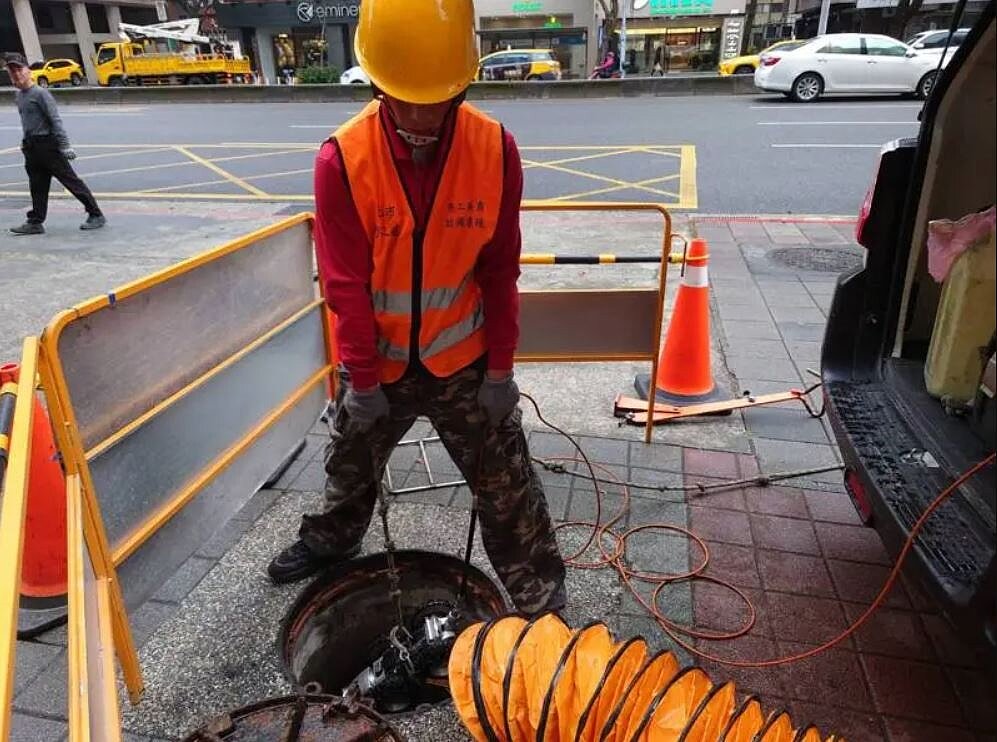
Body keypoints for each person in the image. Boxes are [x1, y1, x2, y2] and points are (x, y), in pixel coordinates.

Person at [266, 0, 567, 617]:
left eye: (439, 99)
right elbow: (345, 284)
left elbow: (500, 268)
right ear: (377, 84)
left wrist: (502, 372)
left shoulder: (495, 149)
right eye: (407, 100)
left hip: (463, 360)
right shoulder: (342, 161)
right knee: (349, 460)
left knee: (507, 484)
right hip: (379, 362)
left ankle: (538, 589)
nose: (424, 117)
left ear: (462, 84)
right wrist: (363, 380)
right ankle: (329, 540)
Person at [4, 52, 105, 236]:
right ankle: (35, 221)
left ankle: (96, 214)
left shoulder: (40, 94)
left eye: (19, 70)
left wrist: (65, 145)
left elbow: (55, 120)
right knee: (37, 185)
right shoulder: (19, 96)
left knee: (70, 181)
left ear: (28, 71)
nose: (16, 75)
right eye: (12, 72)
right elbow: (27, 121)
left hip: (48, 146)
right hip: (32, 147)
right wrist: (26, 143)